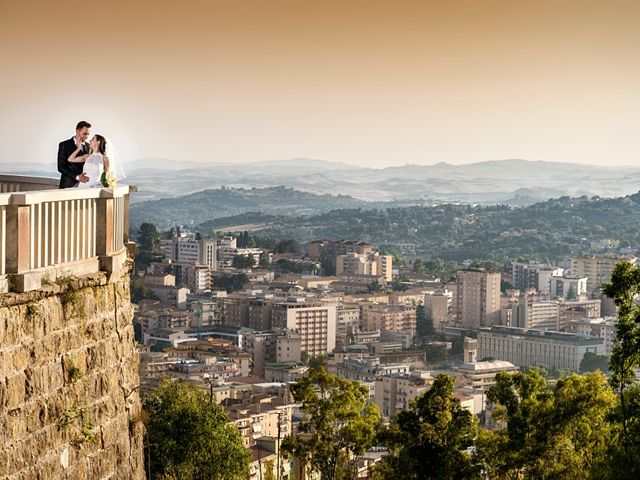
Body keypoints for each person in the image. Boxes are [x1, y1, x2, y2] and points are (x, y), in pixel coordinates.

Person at [57, 120, 92, 188]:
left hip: (85, 184)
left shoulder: (89, 146)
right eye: (84, 134)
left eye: (88, 134)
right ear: (77, 131)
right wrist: (77, 177)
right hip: (68, 184)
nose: (87, 137)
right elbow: (61, 167)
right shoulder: (64, 145)